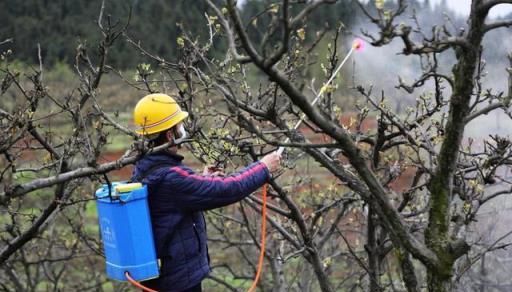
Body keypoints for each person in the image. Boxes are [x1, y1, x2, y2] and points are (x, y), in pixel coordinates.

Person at [131, 93, 281, 292]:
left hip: (162, 277)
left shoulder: (144, 167)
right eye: (178, 127)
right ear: (169, 135)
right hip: (179, 281)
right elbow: (228, 189)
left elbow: (175, 197)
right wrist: (263, 167)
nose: (181, 131)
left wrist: (202, 179)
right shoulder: (171, 177)